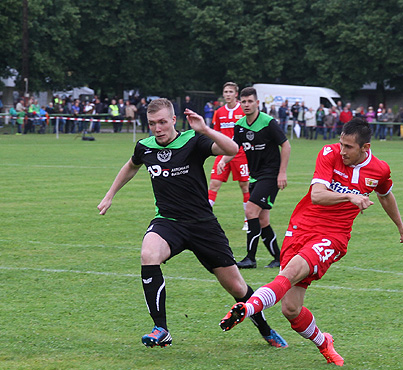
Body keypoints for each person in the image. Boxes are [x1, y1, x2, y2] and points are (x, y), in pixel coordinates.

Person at [219, 118, 403, 366]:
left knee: (290, 272)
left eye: (349, 147)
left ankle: (247, 309)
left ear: (365, 147)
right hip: (301, 227)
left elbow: (385, 195)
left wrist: (402, 228)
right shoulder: (329, 153)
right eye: (341, 143)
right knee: (290, 309)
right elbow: (317, 195)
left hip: (333, 236)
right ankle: (324, 343)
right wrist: (350, 196)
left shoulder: (380, 170)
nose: (342, 150)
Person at [97, 98, 288, 349]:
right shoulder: (145, 147)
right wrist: (110, 194)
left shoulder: (193, 140)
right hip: (168, 222)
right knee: (148, 254)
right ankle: (161, 329)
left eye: (163, 122)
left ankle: (265, 329)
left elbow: (232, 149)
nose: (158, 128)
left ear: (173, 120)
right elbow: (131, 166)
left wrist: (205, 129)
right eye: (152, 123)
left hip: (203, 225)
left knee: (237, 286)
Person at [219, 87, 290, 269]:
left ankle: (250, 258)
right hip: (255, 176)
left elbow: (286, 145)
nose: (247, 105)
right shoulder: (240, 125)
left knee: (251, 211)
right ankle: (279, 258)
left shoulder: (268, 122)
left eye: (250, 101)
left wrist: (282, 172)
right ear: (240, 103)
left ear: (257, 103)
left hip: (270, 175)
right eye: (243, 101)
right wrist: (223, 161)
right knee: (262, 220)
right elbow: (234, 148)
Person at [208, 82, 250, 230]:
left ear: (236, 94)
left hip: (240, 154)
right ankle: (203, 219)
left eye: (230, 92)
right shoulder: (219, 112)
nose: (227, 94)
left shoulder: (243, 110)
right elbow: (216, 133)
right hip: (223, 153)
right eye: (225, 92)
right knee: (213, 184)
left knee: (244, 186)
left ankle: (248, 220)